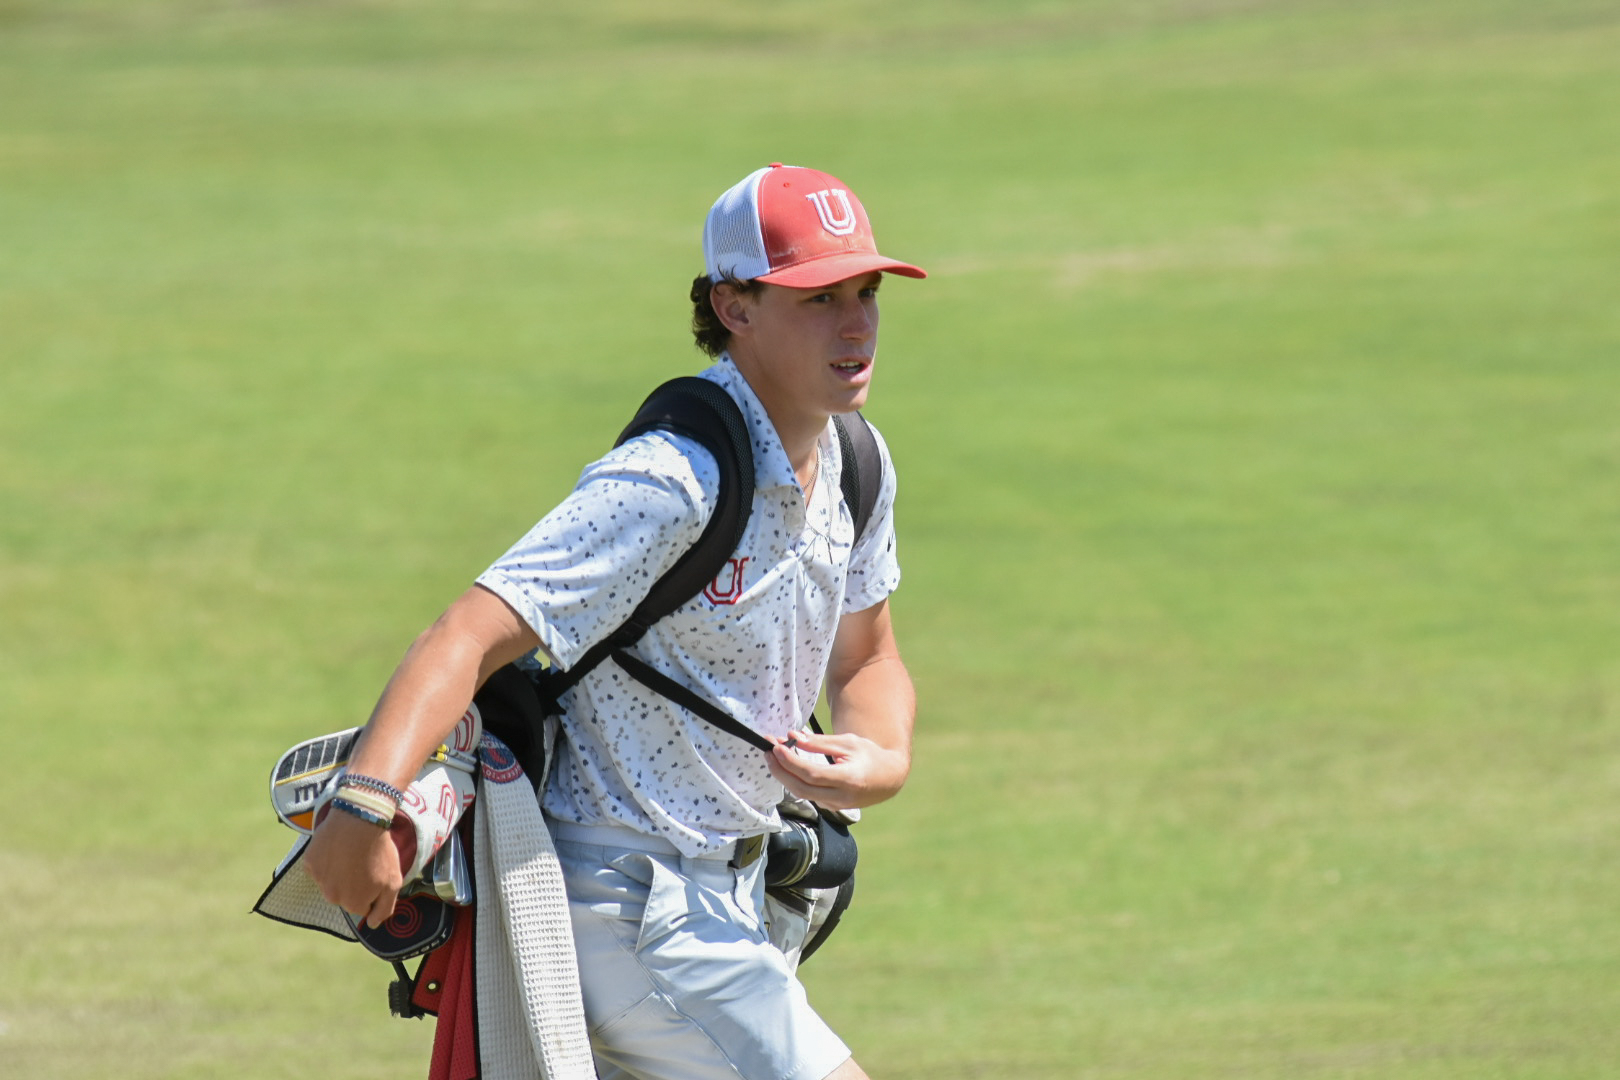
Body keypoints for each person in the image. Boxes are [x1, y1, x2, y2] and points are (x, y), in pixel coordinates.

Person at [304, 162, 927, 1080]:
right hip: (620, 905)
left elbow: (869, 658)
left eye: (866, 292)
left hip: (737, 898)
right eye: (818, 297)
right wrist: (364, 804)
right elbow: (467, 633)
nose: (856, 323)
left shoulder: (857, 468)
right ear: (734, 307)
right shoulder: (674, 478)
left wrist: (881, 757)